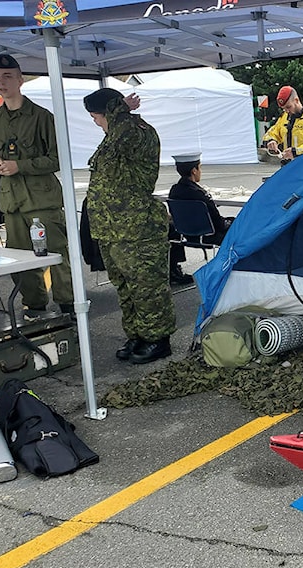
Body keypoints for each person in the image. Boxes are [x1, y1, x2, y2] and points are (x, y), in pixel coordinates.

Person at [83, 87, 175, 365]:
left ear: (109, 112)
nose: (95, 122)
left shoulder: (135, 131)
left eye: (97, 116)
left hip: (137, 228)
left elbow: (118, 147)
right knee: (125, 288)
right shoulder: (115, 134)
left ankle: (158, 339)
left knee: (147, 286)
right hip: (113, 229)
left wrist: (119, 111)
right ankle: (137, 334)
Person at [0, 54, 73, 319]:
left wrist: (19, 166)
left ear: (20, 80)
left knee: (56, 256)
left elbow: (57, 158)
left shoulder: (41, 117)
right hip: (12, 202)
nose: (1, 82)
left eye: (7, 76)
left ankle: (69, 306)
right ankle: (34, 305)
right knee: (21, 259)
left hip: (41, 200)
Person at [168, 152, 234, 245]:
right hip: (209, 236)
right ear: (194, 170)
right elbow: (217, 223)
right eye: (200, 167)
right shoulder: (199, 194)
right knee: (240, 224)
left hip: (185, 234)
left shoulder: (174, 191)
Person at [261, 86, 303, 162]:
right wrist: (271, 141)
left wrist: (296, 152)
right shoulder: (284, 117)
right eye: (283, 108)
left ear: (296, 100)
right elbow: (272, 133)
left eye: (289, 107)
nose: (287, 111)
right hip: (288, 166)